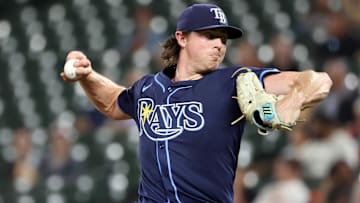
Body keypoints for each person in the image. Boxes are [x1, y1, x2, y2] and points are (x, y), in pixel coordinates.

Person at [60, 4, 332, 203]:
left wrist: (292, 102)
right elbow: (112, 103)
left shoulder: (233, 82)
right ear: (182, 38)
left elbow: (318, 80)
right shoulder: (148, 88)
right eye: (209, 36)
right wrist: (88, 76)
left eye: (223, 39)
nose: (219, 45)